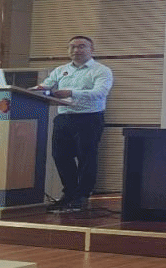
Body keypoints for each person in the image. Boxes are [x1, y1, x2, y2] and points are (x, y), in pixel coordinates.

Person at [33, 35, 114, 211]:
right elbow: (45, 86)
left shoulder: (101, 70)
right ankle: (69, 193)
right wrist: (34, 90)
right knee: (60, 156)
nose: (76, 50)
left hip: (89, 118)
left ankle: (83, 195)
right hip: (64, 117)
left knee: (86, 157)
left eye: (81, 46)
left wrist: (71, 92)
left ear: (92, 50)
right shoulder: (60, 70)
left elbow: (100, 93)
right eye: (72, 47)